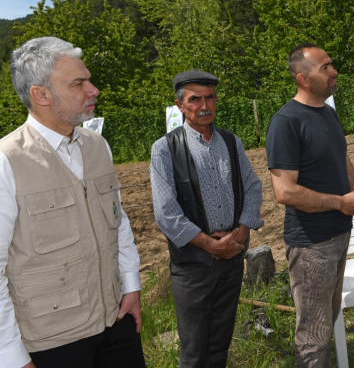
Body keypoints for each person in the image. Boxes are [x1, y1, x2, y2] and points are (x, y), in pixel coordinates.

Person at [0, 37, 145, 368]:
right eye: (79, 83)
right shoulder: (6, 162)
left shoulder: (98, 146)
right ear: (41, 95)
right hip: (51, 341)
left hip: (116, 322)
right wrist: (10, 357)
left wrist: (131, 286)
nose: (94, 90)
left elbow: (118, 223)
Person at [266, 43, 354, 368]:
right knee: (314, 336)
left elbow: (342, 157)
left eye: (331, 64)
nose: (334, 71)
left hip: (339, 234)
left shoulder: (327, 112)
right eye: (325, 67)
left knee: (327, 319)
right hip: (311, 244)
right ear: (303, 79)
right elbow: (285, 191)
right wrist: (340, 203)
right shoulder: (286, 122)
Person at [150, 70, 263, 368]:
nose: (204, 105)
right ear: (179, 105)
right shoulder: (165, 149)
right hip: (194, 267)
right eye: (194, 99)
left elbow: (252, 187)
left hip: (232, 258)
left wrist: (240, 233)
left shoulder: (231, 141)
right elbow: (166, 213)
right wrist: (210, 246)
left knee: (219, 344)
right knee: (194, 352)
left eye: (209, 98)